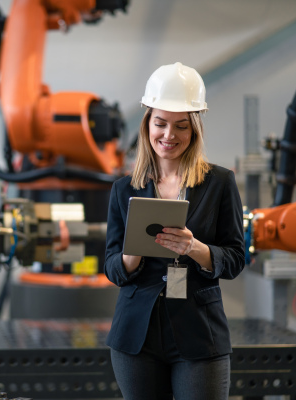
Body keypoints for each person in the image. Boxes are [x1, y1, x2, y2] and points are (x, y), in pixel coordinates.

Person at [104, 62, 245, 400]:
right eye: (160, 124)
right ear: (147, 125)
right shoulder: (125, 189)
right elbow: (110, 266)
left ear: (194, 129)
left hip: (199, 334)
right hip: (136, 336)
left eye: (181, 126)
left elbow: (237, 257)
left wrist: (195, 247)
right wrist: (132, 252)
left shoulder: (219, 183)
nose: (169, 136)